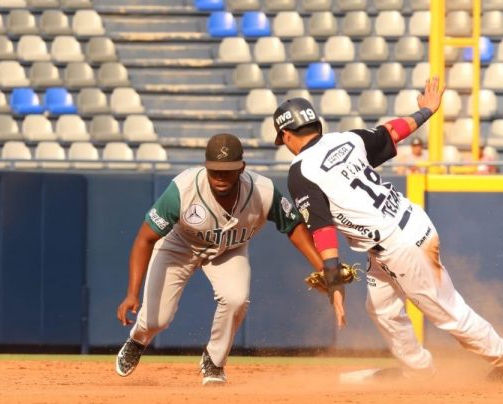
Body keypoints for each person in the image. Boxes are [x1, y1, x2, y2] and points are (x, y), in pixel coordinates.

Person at [272, 77, 503, 382]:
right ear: (316, 124)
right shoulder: (347, 139)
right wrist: (426, 112)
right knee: (382, 308)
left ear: (287, 135)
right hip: (406, 224)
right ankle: (417, 369)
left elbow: (322, 229)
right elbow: (392, 131)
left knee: (447, 313)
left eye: (283, 139)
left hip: (399, 245)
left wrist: (332, 279)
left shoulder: (300, 171)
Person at [114, 133, 336, 385]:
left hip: (229, 249)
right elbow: (145, 238)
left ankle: (214, 361)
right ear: (205, 166)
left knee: (236, 298)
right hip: (179, 245)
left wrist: (325, 268)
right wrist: (132, 293)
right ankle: (138, 340)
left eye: (228, 170)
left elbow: (294, 227)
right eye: (215, 170)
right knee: (157, 320)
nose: (220, 176)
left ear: (242, 167)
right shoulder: (183, 189)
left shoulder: (262, 191)